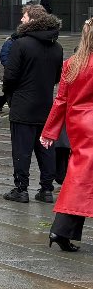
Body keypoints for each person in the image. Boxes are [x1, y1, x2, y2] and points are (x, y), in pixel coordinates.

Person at [41, 17, 93, 251]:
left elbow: (61, 100)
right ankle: (61, 230)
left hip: (79, 124)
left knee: (79, 175)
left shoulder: (72, 63)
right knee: (81, 176)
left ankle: (61, 230)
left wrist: (50, 131)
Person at [2, 4, 63, 204]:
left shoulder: (21, 44)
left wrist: (9, 94)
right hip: (45, 105)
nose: (21, 20)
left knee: (22, 149)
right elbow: (56, 77)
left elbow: (10, 76)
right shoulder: (57, 47)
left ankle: (21, 188)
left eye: (24, 17)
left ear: (33, 20)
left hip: (22, 104)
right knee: (46, 148)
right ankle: (46, 189)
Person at [0, 30, 20, 111]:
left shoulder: (20, 43)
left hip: (17, 71)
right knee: (10, 90)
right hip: (9, 71)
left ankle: (0, 101)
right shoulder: (9, 43)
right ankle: (12, 108)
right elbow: (4, 57)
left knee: (13, 90)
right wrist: (10, 67)